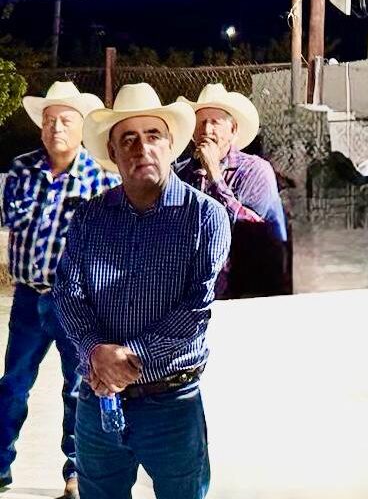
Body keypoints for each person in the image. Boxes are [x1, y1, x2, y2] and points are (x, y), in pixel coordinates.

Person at [52, 83, 231, 499]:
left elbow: (195, 310)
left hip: (171, 404)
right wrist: (95, 350)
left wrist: (128, 356)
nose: (142, 148)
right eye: (128, 139)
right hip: (97, 402)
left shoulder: (205, 217)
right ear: (112, 152)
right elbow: (68, 293)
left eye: (153, 135)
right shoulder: (90, 217)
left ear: (171, 144)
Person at [0, 81, 117, 498]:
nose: (56, 128)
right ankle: (0, 465)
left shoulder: (99, 180)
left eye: (65, 120)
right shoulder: (21, 170)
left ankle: (76, 473)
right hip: (28, 298)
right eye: (49, 120)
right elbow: (11, 222)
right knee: (13, 384)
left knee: (77, 388)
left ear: (82, 126)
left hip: (75, 304)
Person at [175, 83, 289, 298]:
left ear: (233, 129)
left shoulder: (255, 170)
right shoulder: (182, 174)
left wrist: (214, 176)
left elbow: (249, 231)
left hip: (247, 288)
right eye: (201, 123)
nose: (206, 130)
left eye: (215, 122)